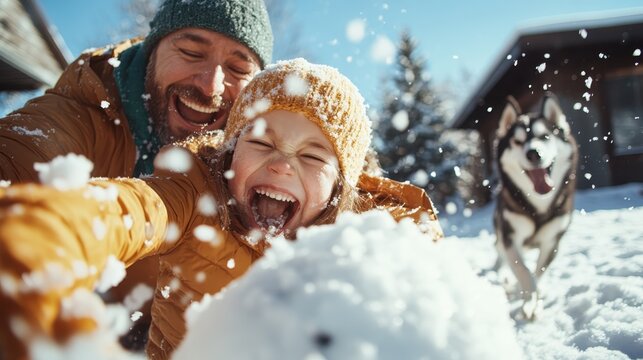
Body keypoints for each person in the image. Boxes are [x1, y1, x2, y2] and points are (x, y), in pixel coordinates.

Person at [0, 59, 442, 359]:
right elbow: (128, 210)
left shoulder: (377, 243)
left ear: (339, 185)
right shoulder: (195, 196)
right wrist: (42, 232)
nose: (282, 164)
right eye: (262, 142)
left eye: (312, 157)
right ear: (230, 154)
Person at [0, 0, 273, 347]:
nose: (211, 86)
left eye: (237, 68)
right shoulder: (79, 114)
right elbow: (17, 154)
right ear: (151, 50)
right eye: (191, 52)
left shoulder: (249, 160)